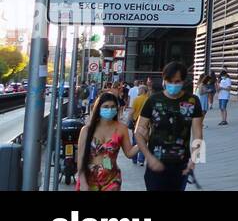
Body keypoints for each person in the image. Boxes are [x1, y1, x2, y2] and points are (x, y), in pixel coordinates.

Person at [134, 62, 204, 191]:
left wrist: (194, 159)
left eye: (177, 81)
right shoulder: (153, 100)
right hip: (156, 163)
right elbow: (138, 131)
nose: (173, 84)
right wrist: (148, 157)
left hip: (181, 164)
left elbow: (198, 134)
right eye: (169, 81)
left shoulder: (193, 101)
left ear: (183, 81)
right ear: (164, 80)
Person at [76, 90, 134, 192]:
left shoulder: (121, 128)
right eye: (106, 107)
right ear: (98, 108)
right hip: (89, 178)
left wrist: (143, 142)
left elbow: (129, 153)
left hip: (112, 178)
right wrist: (83, 182)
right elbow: (80, 158)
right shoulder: (86, 130)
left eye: (113, 107)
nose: (110, 109)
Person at [129, 83, 151, 165]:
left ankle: (134, 159)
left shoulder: (136, 99)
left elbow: (131, 112)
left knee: (135, 141)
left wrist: (130, 120)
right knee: (144, 141)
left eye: (139, 89)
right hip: (147, 123)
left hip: (136, 122)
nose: (138, 90)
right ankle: (141, 160)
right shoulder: (149, 99)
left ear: (142, 90)